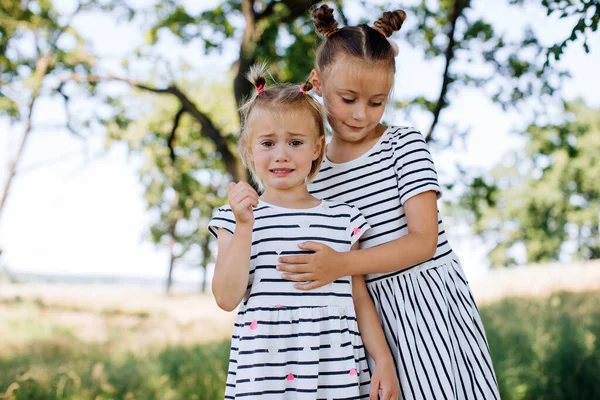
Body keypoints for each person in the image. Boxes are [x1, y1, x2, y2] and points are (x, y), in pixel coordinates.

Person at [277, 5, 500, 400]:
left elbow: (422, 242)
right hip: (363, 320)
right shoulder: (314, 170)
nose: (361, 114)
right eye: (348, 99)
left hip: (426, 313)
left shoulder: (403, 145)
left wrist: (341, 264)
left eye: (377, 102)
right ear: (317, 82)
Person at [209, 65, 400, 399]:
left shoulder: (343, 220)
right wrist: (244, 228)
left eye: (295, 142)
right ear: (248, 149)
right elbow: (226, 299)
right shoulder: (234, 219)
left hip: (335, 373)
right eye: (267, 142)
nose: (281, 154)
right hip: (264, 378)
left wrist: (383, 359)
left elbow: (358, 298)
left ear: (317, 148)